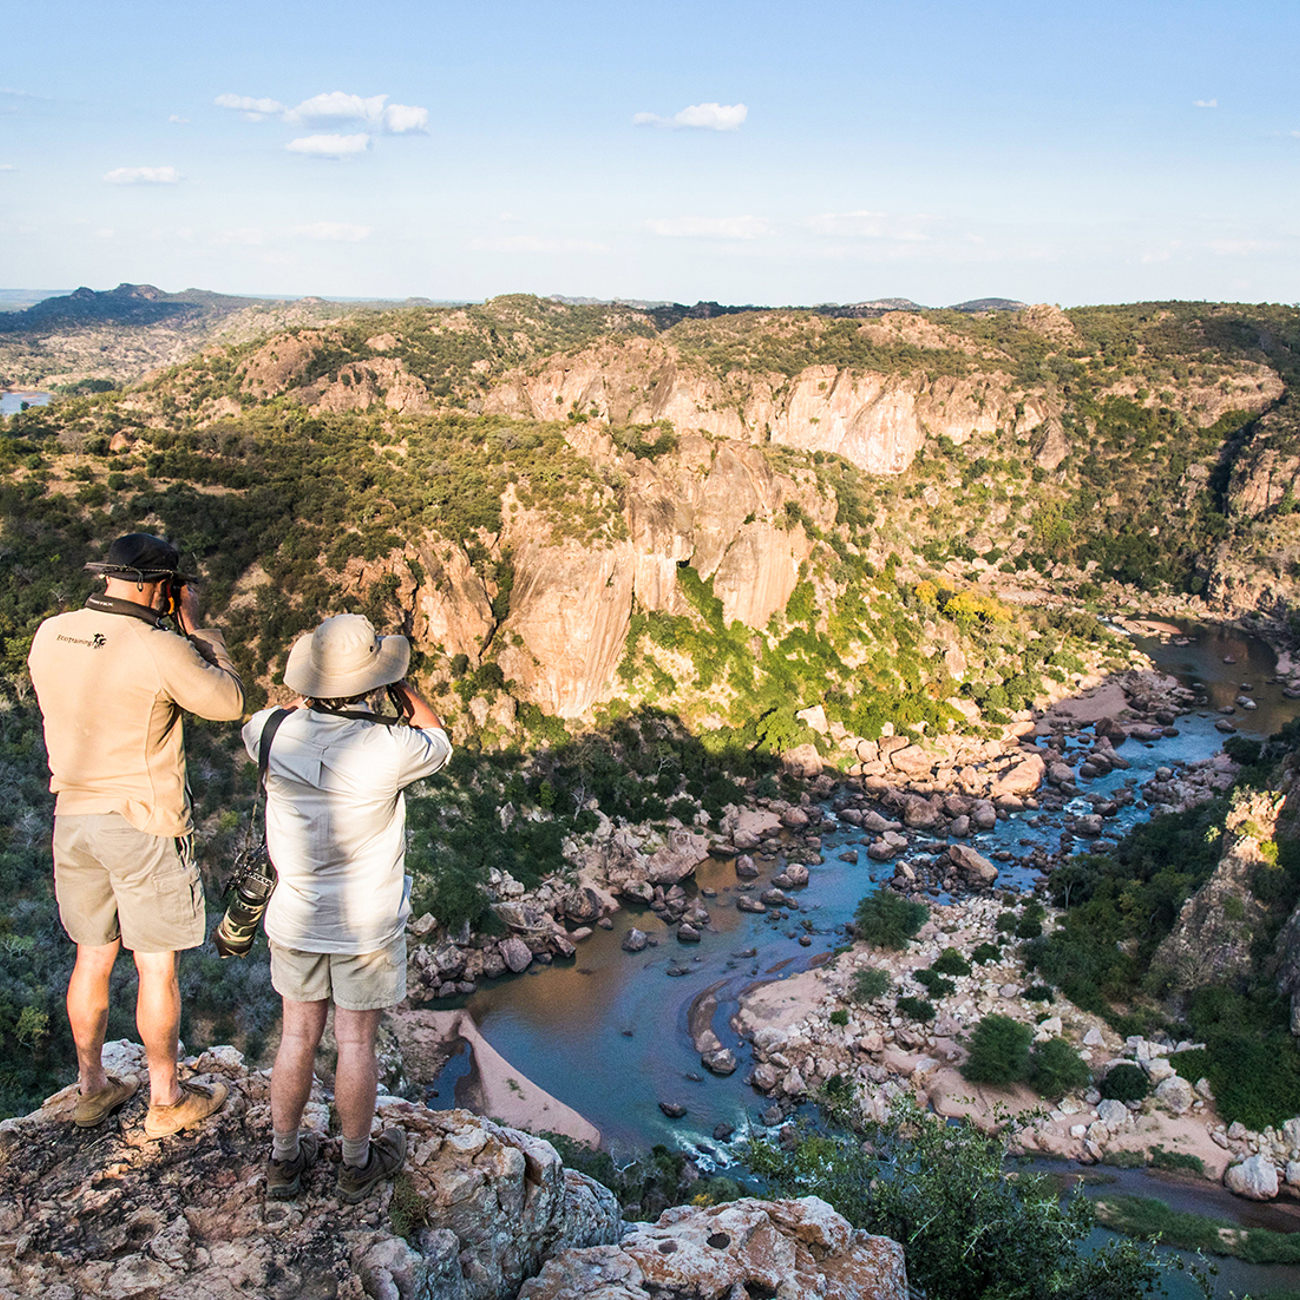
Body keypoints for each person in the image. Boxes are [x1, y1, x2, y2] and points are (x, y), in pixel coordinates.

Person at [27, 533, 245, 1138]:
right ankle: (166, 1098)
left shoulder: (51, 633)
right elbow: (228, 700)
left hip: (73, 816)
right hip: (143, 821)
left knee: (91, 956)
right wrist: (197, 628)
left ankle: (92, 1086)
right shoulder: (158, 646)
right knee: (155, 968)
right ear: (159, 587)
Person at [244, 613, 451, 1202]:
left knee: (296, 1036)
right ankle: (356, 1165)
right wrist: (399, 685)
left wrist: (312, 697)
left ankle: (284, 1158)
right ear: (373, 680)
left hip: (295, 917)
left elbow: (278, 713)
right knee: (356, 1043)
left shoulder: (266, 731)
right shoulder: (392, 748)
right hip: (366, 926)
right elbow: (438, 737)